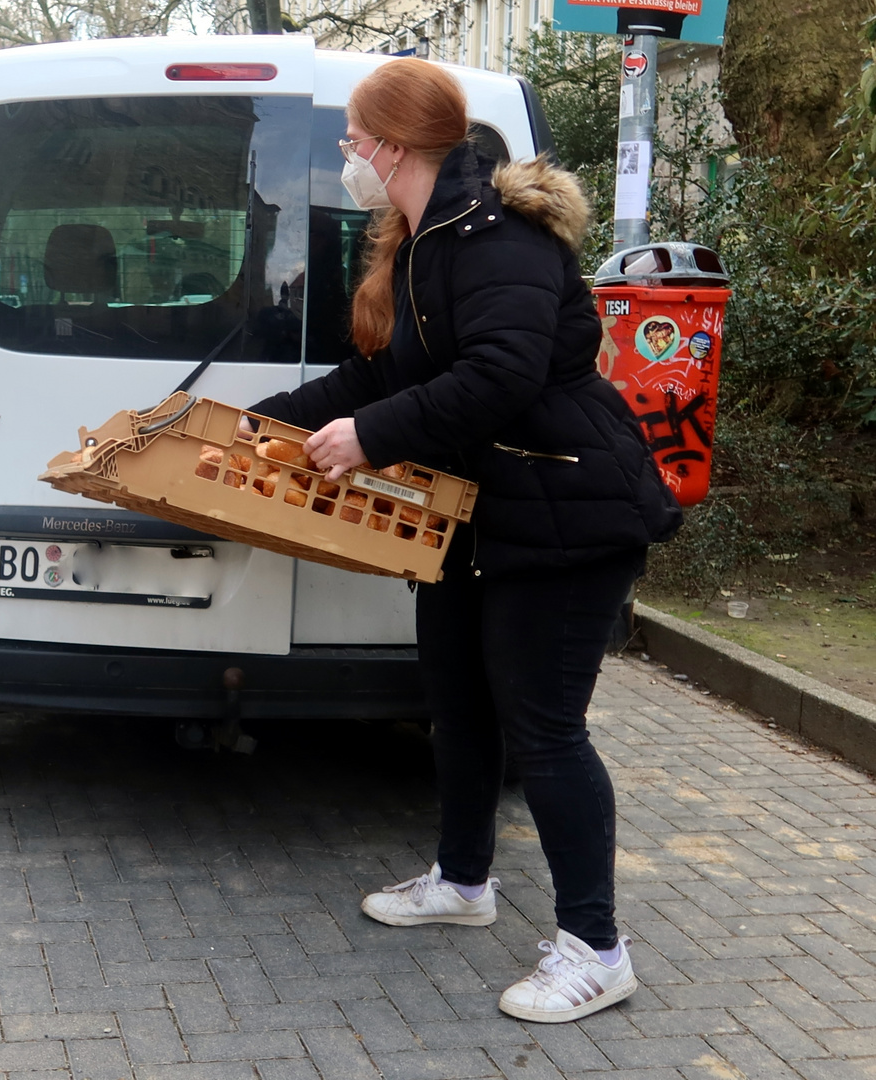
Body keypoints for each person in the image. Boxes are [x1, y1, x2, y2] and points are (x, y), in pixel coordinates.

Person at [247, 59, 681, 1024]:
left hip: (567, 516)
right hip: (481, 514)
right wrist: (256, 421)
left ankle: (596, 948)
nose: (347, 156)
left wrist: (371, 442)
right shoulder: (427, 238)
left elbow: (503, 373)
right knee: (458, 702)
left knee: (545, 730)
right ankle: (463, 880)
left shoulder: (495, 239)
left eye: (353, 140)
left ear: (392, 146)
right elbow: (379, 379)